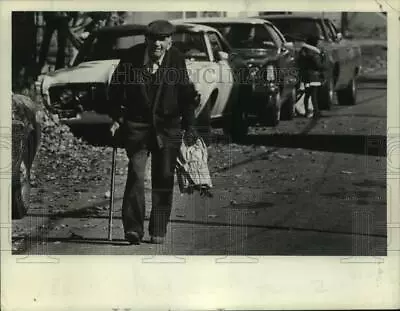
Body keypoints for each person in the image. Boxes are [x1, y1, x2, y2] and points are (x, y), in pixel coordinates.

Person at [108, 20, 199, 245]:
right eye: (152, 39)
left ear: (169, 41)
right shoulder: (131, 58)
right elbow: (114, 90)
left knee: (163, 178)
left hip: (168, 127)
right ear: (146, 40)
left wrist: (190, 126)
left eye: (162, 39)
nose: (156, 44)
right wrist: (116, 118)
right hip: (137, 126)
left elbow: (185, 93)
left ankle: (158, 228)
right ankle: (133, 228)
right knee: (136, 175)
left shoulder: (176, 58)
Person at [297, 34, 326, 118]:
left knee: (308, 94)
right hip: (314, 75)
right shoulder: (315, 52)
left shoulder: (304, 51)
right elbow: (318, 65)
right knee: (314, 94)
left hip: (306, 75)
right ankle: (316, 111)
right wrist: (323, 59)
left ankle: (307, 111)